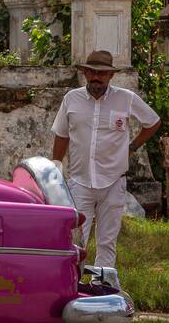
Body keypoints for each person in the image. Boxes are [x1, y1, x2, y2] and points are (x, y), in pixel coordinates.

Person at [51, 49, 161, 270]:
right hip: (80, 182)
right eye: (91, 72)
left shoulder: (126, 99)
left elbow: (153, 122)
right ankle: (74, 287)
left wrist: (132, 147)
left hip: (113, 182)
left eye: (101, 73)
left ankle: (104, 290)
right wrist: (56, 168)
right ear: (84, 73)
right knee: (74, 241)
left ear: (111, 76)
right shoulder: (71, 99)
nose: (96, 77)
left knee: (107, 242)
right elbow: (61, 134)